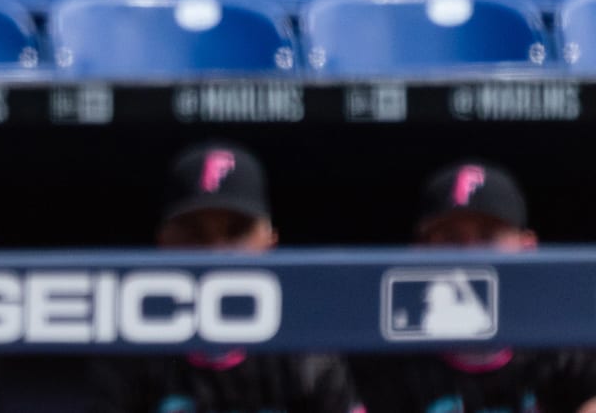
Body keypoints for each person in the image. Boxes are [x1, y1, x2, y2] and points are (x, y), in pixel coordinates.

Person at [90, 142, 364, 413]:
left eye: (236, 233)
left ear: (270, 242)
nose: (215, 252)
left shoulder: (306, 346)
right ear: (163, 242)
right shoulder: (130, 345)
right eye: (194, 234)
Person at [347, 160, 596, 412]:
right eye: (451, 238)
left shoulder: (561, 342)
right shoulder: (384, 358)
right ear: (420, 252)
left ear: (527, 248)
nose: (470, 254)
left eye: (488, 237)